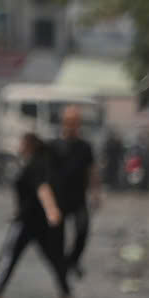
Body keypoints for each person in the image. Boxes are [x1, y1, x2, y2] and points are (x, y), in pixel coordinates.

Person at [0, 131, 74, 298]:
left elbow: (42, 189)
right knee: (53, 258)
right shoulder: (37, 162)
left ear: (29, 146)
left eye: (22, 144)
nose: (19, 147)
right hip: (35, 220)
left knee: (10, 255)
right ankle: (66, 293)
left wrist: (51, 210)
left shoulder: (35, 164)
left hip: (29, 221)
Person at [50, 104, 101, 277]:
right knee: (58, 238)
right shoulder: (54, 146)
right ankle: (63, 268)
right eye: (69, 122)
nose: (72, 126)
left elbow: (92, 170)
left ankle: (73, 260)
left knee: (83, 229)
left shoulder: (85, 147)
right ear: (63, 123)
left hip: (79, 198)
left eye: (75, 122)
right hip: (59, 199)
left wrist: (95, 194)